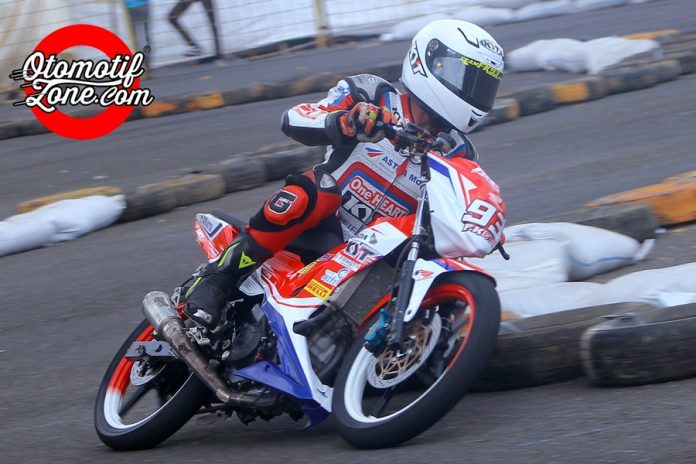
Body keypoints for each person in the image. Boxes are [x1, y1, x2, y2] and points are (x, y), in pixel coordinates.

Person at [184, 19, 504, 330]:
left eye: (482, 86)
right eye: (466, 78)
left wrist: (482, 223)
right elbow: (295, 117)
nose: (473, 93)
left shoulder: (460, 152)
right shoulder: (373, 93)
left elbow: (466, 203)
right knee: (320, 189)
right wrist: (345, 122)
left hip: (382, 255)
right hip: (323, 228)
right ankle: (218, 277)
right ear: (429, 63)